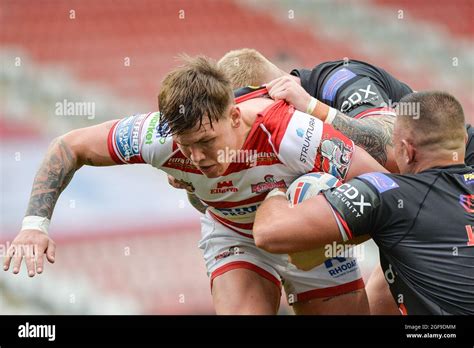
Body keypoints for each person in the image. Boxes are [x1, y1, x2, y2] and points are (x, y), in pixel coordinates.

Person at [3, 56, 388, 315]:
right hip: (236, 236)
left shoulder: (292, 132)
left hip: (307, 234)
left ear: (235, 116)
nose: (198, 157)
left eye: (206, 142)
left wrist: (336, 228)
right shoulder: (154, 136)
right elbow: (68, 146)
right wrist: (35, 225)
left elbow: (380, 185)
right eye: (187, 146)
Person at [253, 91, 474, 315]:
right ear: (463, 142)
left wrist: (275, 191)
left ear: (407, 152)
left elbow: (269, 232)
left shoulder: (387, 192)